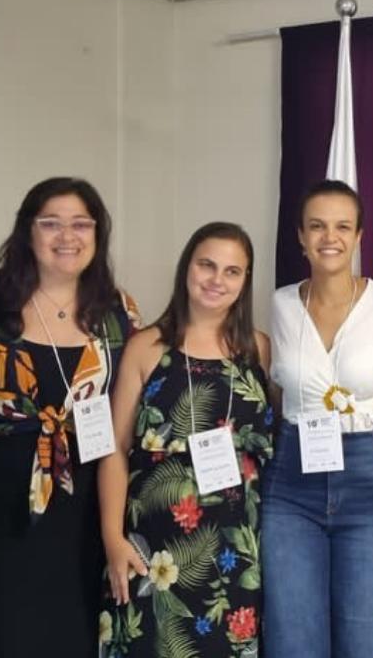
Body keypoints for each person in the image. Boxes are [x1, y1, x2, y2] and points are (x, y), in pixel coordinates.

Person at [0, 178, 142, 656]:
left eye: (81, 224)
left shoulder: (117, 311)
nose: (67, 236)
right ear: (27, 231)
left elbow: (129, 412)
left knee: (73, 635)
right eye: (51, 223)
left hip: (84, 506)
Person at [99, 222, 274, 657]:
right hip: (154, 546)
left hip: (235, 551)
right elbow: (114, 449)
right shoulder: (146, 347)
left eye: (232, 271)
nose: (217, 280)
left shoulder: (259, 349)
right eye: (207, 265)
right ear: (186, 268)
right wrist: (112, 538)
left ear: (246, 280)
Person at [262, 180, 373, 658]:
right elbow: (274, 390)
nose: (330, 237)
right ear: (301, 236)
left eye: (343, 226)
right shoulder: (281, 304)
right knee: (292, 639)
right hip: (291, 482)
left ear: (359, 236)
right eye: (317, 226)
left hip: (367, 481)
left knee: (360, 641)